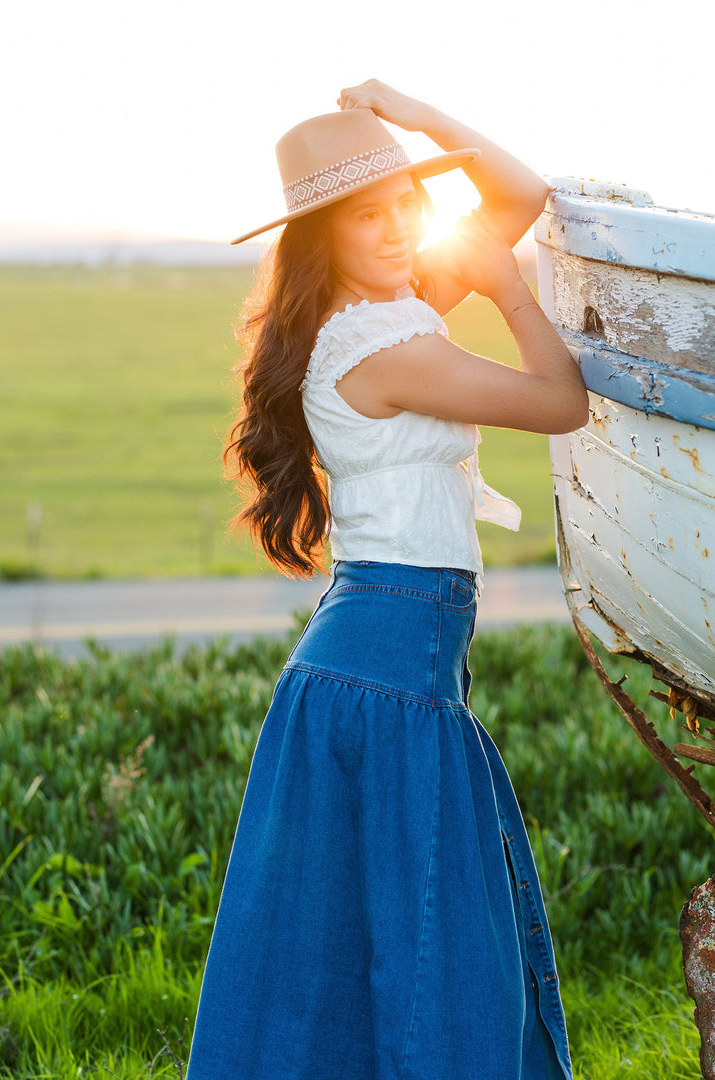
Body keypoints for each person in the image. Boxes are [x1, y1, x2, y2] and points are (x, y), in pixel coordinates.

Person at [185, 80, 588, 1080]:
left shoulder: (381, 316)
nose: (401, 229)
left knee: (380, 941)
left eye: (408, 202)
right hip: (387, 671)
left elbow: (520, 191)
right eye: (370, 216)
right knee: (422, 938)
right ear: (324, 237)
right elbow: (560, 401)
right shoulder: (383, 349)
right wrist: (508, 289)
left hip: (382, 662)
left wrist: (416, 117)